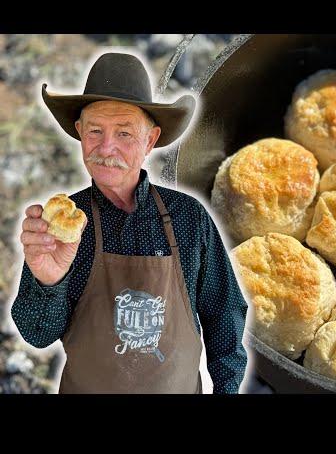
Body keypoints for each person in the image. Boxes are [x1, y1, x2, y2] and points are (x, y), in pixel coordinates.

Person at [12, 52, 248, 394]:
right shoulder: (61, 225)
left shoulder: (188, 218)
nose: (107, 148)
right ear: (79, 132)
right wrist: (48, 280)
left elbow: (224, 313)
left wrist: (226, 390)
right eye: (95, 131)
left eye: (124, 133)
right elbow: (37, 335)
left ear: (149, 140)